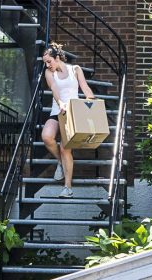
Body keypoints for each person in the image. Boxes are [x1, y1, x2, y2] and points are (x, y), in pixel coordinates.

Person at [41, 42, 97, 198]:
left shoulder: (75, 69)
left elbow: (84, 87)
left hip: (72, 113)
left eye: (49, 61)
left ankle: (68, 187)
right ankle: (60, 161)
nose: (47, 65)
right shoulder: (49, 73)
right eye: (45, 62)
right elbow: (54, 88)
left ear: (57, 57)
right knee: (47, 136)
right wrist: (61, 103)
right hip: (57, 110)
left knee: (66, 148)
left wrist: (90, 100)